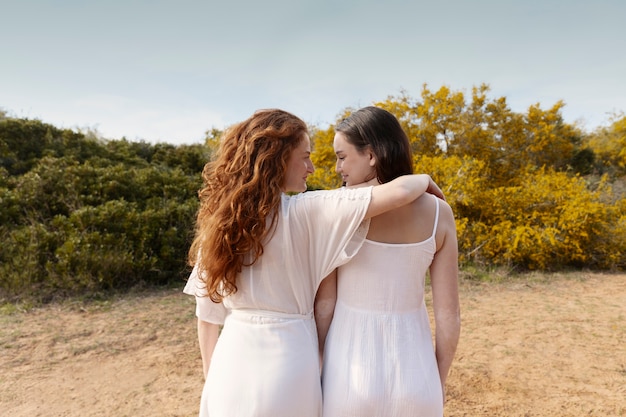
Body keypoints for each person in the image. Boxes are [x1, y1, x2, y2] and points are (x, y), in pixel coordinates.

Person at [183, 108, 445, 417]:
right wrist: (425, 179)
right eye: (305, 156)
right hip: (289, 363)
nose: (311, 167)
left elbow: (207, 318)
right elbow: (400, 190)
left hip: (230, 364)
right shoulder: (309, 211)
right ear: (278, 159)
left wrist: (213, 381)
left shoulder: (221, 225)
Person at [315, 106, 461, 417]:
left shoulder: (339, 209)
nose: (338, 166)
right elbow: (449, 315)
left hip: (349, 370)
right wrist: (439, 380)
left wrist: (319, 362)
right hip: (416, 371)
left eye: (342, 156)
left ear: (370, 155)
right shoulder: (439, 213)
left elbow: (325, 305)